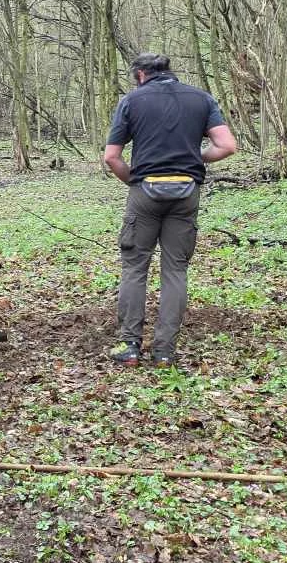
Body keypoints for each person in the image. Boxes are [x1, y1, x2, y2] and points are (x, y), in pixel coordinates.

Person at [102, 52, 238, 368]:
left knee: (135, 268)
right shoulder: (201, 99)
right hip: (186, 193)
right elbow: (227, 146)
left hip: (145, 192)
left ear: (139, 76)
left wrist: (134, 181)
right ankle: (164, 351)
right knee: (175, 270)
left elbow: (111, 157)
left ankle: (130, 347)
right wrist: (195, 158)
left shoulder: (131, 102)